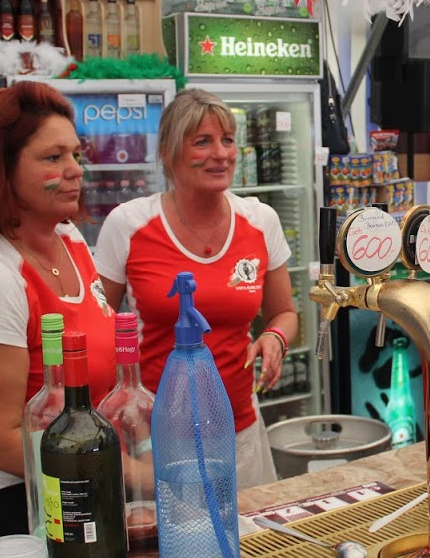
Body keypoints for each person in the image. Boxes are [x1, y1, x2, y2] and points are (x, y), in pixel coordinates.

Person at [0, 82, 116, 536]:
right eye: (53, 158)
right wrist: (125, 469)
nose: (74, 170)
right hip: (27, 502)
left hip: (89, 478)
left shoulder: (70, 241)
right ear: (1, 169)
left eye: (76, 154)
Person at [95, 88, 296, 489]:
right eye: (202, 142)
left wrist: (275, 337)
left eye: (227, 140)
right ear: (168, 154)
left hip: (240, 429)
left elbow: (284, 313)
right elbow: (99, 327)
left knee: (249, 528)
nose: (221, 154)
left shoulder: (261, 221)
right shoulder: (128, 225)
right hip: (157, 437)